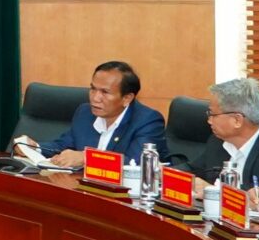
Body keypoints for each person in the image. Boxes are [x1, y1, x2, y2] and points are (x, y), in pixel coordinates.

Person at [32, 60, 167, 165]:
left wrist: (87, 158)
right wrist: (34, 148)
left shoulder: (147, 121)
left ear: (127, 98)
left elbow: (135, 163)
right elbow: (63, 146)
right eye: (93, 89)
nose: (95, 98)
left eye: (105, 92)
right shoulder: (85, 112)